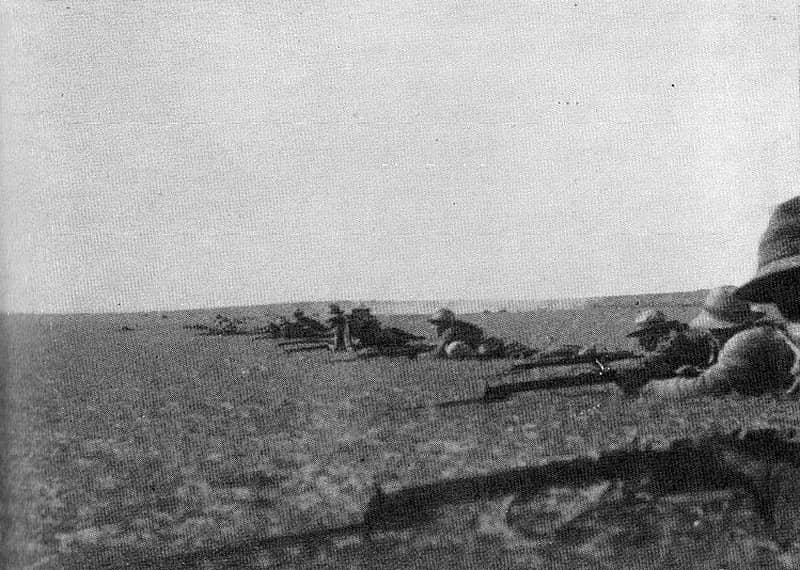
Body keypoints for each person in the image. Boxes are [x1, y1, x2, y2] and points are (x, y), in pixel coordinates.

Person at [642, 197, 800, 399]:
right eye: (779, 289)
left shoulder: (749, 342)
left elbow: (705, 387)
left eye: (791, 283)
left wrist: (647, 388)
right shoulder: (767, 338)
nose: (786, 303)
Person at [615, 309, 717, 393]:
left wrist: (624, 366)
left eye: (646, 332)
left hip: (699, 371)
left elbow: (660, 357)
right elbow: (640, 354)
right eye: (642, 333)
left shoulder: (674, 337)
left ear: (658, 329)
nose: (643, 337)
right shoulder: (653, 339)